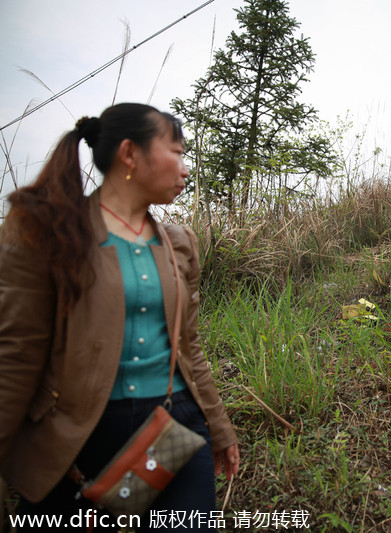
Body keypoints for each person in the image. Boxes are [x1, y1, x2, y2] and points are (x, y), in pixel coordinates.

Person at [0, 103, 239, 531]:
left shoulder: (179, 243)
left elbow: (189, 348)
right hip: (76, 439)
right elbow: (16, 355)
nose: (185, 168)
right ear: (130, 153)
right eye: (177, 152)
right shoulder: (45, 233)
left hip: (173, 429)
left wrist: (218, 428)